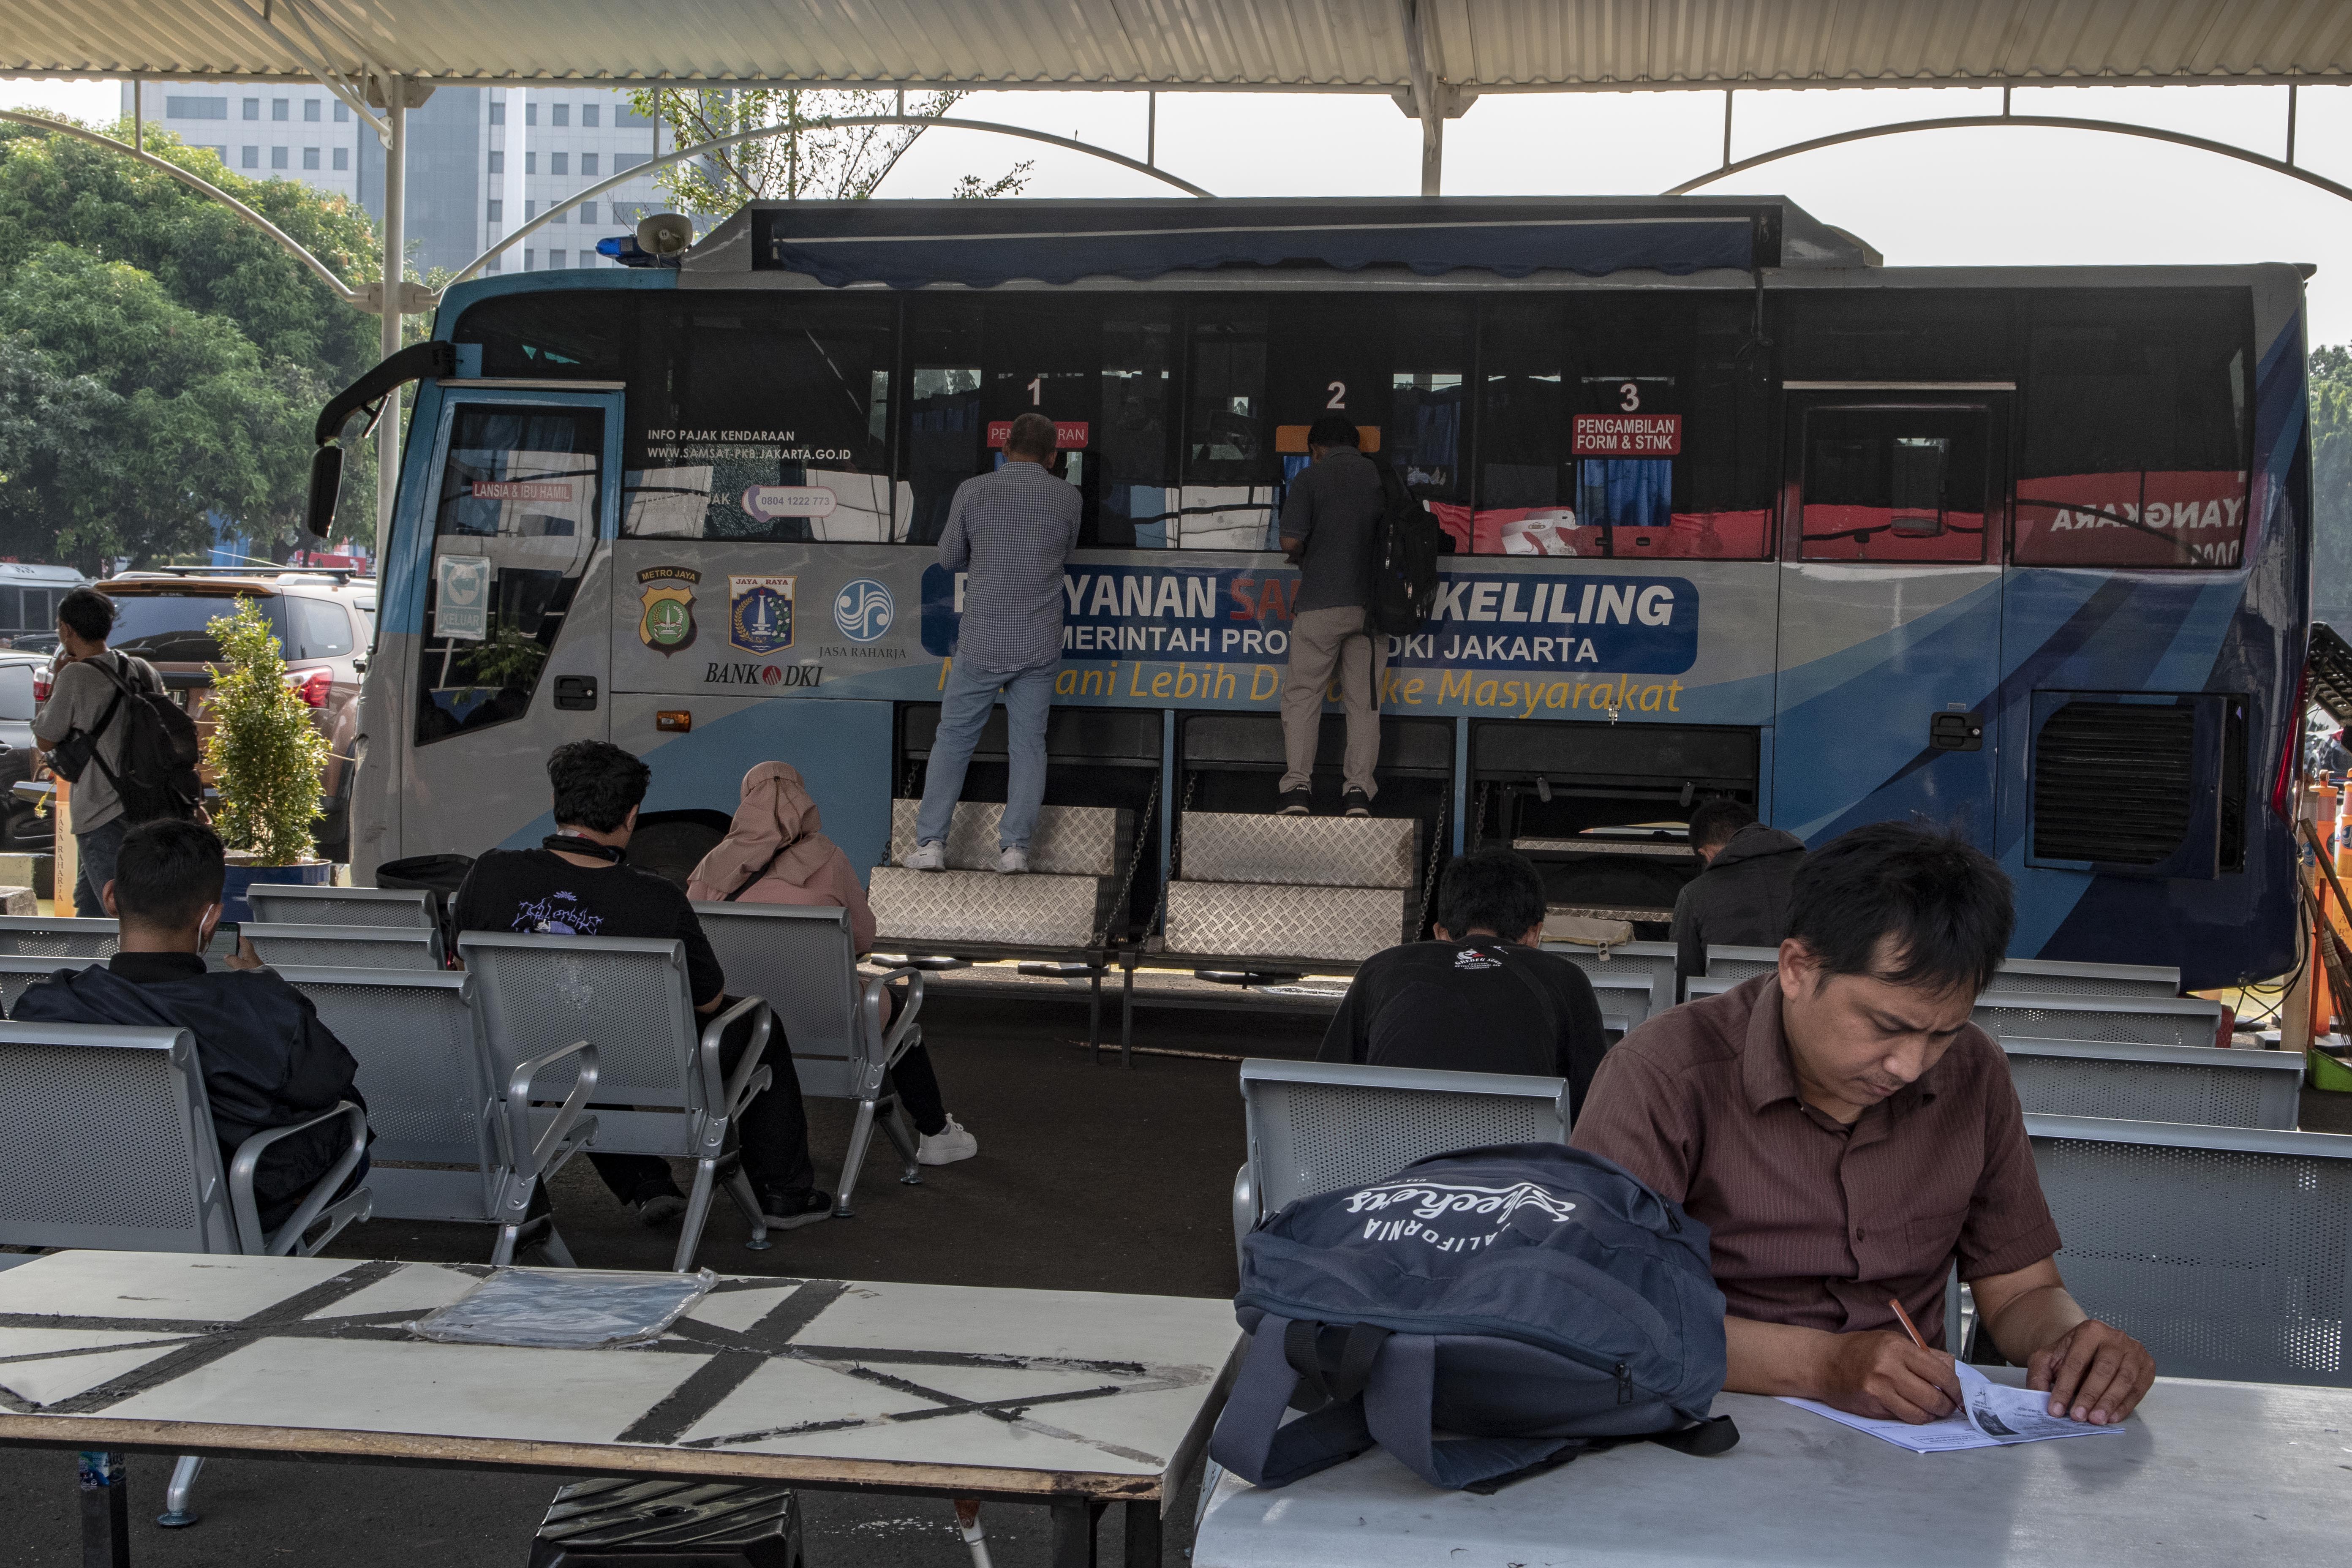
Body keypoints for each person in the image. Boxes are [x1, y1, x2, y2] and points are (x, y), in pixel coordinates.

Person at [1571, 822, 2156, 1429]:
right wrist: (1825, 1367)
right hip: (1715, 1423)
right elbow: (1604, 1307)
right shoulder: (1667, 1074)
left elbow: (2019, 1292)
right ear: (1797, 967)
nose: (1909, 1066)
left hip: (1916, 1444)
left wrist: (2073, 1345)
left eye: (1941, 1033)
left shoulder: (1973, 1072)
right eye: (1885, 1026)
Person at [451, 740, 833, 1229]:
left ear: (557, 804)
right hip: (632, 1058)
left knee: (573, 1034)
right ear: (631, 816)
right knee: (758, 1021)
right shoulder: (654, 896)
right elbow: (709, 999)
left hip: (512, 1052)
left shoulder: (491, 872)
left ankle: (648, 1185)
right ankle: (784, 1193)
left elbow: (459, 960)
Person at [14, 819, 368, 1234]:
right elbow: (329, 1082)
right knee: (351, 1116)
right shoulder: (257, 1008)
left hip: (70, 1196)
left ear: (111, 897)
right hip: (215, 1209)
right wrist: (269, 986)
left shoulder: (45, 1006)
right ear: (211, 919)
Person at [687, 761, 977, 1166]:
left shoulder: (712, 866)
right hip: (827, 1018)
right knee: (896, 1010)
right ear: (803, 802)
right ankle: (936, 1133)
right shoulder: (829, 859)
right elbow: (863, 939)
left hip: (740, 1023)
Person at [908, 411, 1083, 875]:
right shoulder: (1068, 497)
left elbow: (948, 559)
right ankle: (1015, 850)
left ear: (1006, 451)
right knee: (1028, 746)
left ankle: (930, 845)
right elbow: (1066, 552)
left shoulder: (974, 490)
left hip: (983, 639)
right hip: (1038, 642)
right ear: (1053, 456)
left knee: (954, 740)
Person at [1318, 847, 1611, 1113]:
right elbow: (1594, 1109)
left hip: (1391, 1166)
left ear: (1440, 933)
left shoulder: (1381, 970)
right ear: (1535, 933)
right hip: (1515, 1169)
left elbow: (1325, 1094)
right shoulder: (1566, 979)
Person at [32, 588, 173, 917]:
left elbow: (46, 739)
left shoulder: (76, 675)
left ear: (66, 629)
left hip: (101, 811)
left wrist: (57, 679)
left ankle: (126, 966)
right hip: (149, 803)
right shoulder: (141, 669)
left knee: (117, 908)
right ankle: (81, 964)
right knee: (91, 901)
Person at [1277, 414, 1388, 818]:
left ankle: (1298, 790)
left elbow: (1290, 539)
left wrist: (1308, 553)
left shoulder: (1311, 479)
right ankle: (1358, 793)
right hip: (1371, 610)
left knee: (1304, 695)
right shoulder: (1381, 478)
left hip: (1320, 604)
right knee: (1364, 703)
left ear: (1316, 449)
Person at [1670, 798, 1808, 977]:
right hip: (1807, 1001)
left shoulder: (1695, 894)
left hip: (1731, 1003)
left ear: (1706, 853)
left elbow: (1682, 980)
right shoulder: (1821, 875)